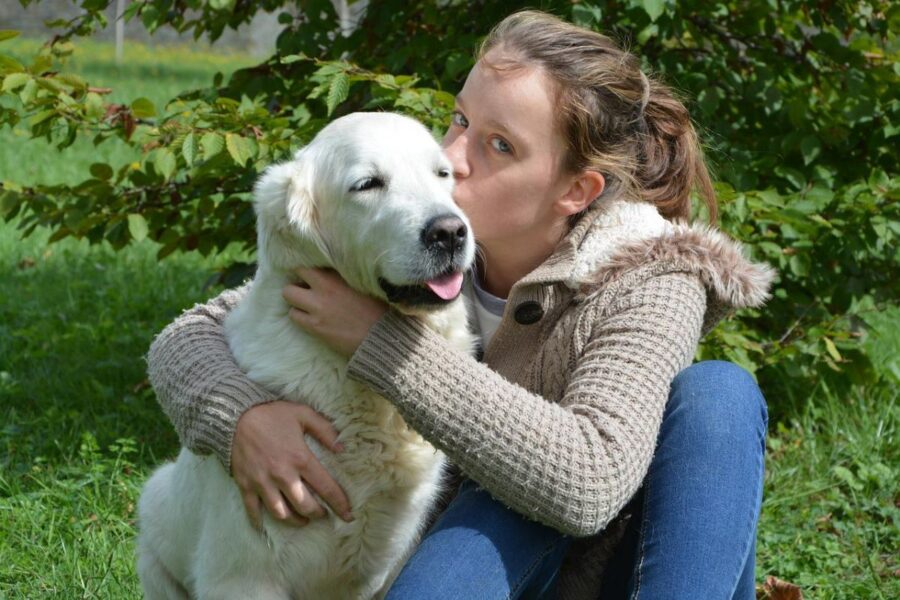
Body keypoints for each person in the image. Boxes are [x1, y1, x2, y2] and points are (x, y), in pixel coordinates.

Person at [147, 10, 774, 599]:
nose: (451, 158)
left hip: (594, 569)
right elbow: (194, 333)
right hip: (469, 552)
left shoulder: (649, 276)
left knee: (720, 392)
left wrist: (382, 344)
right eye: (459, 120)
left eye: (499, 146)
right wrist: (243, 419)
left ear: (575, 191)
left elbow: (586, 484)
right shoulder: (415, 245)